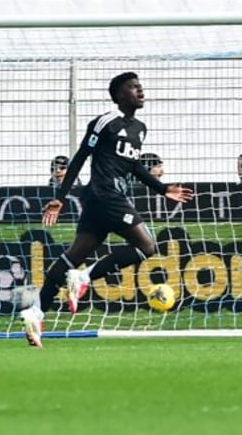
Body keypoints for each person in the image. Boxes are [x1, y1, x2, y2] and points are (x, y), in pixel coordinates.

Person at [21, 72, 194, 348]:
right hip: (106, 195)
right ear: (119, 95)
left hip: (101, 202)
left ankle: (35, 312)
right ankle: (84, 277)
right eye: (134, 87)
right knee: (146, 247)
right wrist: (61, 197)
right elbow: (80, 156)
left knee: (71, 257)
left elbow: (134, 167)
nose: (141, 90)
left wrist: (162, 189)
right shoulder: (105, 122)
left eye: (140, 86)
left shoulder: (140, 129)